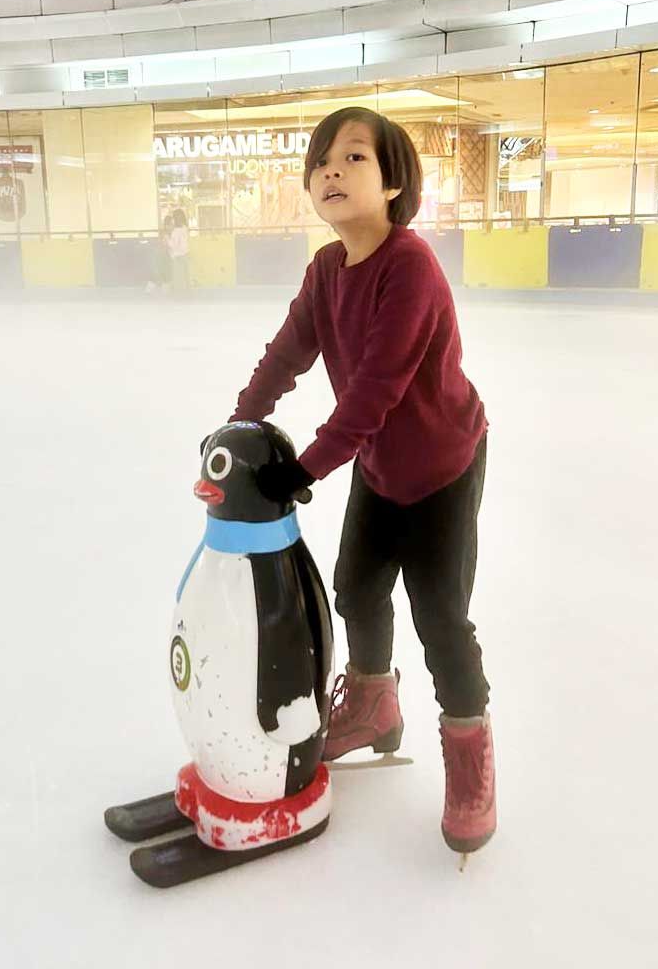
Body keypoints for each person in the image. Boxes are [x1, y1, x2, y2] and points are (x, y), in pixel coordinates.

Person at [225, 106, 495, 858]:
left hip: (442, 463)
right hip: (380, 464)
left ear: (394, 181)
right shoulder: (325, 269)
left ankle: (470, 755)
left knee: (441, 616)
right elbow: (287, 354)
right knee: (355, 587)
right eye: (321, 162)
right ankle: (375, 703)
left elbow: (374, 391)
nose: (332, 172)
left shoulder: (409, 266)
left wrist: (301, 469)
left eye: (354, 159)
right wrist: (242, 424)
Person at [146, 213, 174, 294]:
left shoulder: (168, 234)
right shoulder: (165, 235)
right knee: (162, 277)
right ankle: (149, 292)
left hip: (164, 258)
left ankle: (153, 292)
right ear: (166, 225)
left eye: (173, 225)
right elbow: (167, 247)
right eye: (171, 225)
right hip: (162, 258)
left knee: (164, 277)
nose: (173, 227)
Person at [168, 209, 190, 295]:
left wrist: (167, 240)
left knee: (178, 279)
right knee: (185, 277)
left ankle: (180, 297)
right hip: (185, 255)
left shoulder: (175, 231)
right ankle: (187, 296)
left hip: (177, 257)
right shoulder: (185, 228)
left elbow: (174, 245)